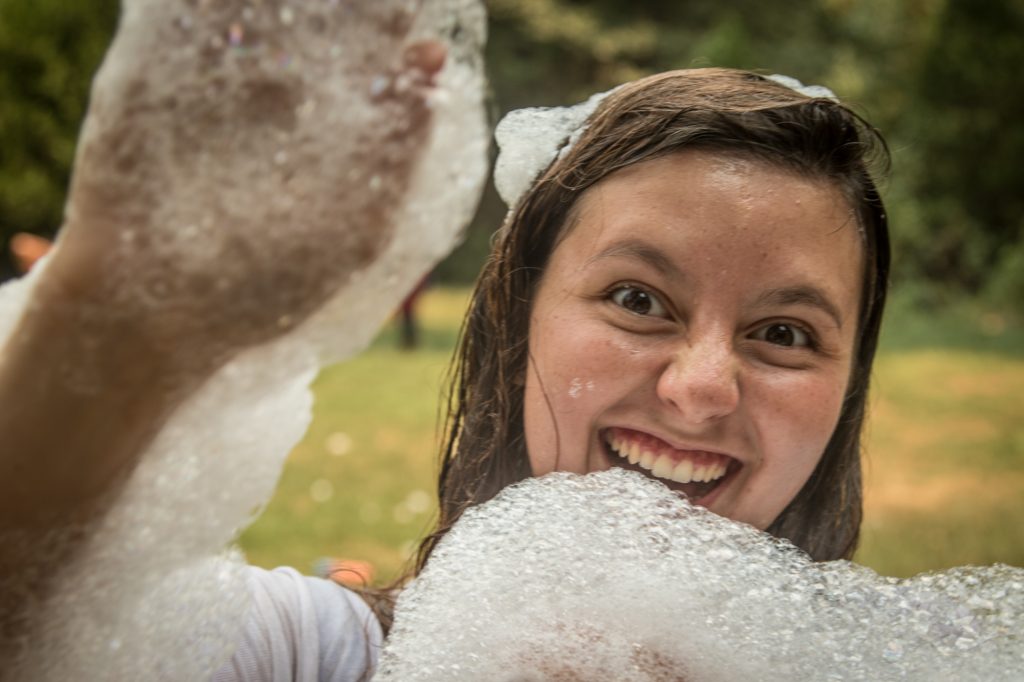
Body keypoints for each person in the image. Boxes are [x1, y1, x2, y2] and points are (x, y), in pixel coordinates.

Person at [0, 62, 889, 681]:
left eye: (783, 331)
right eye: (638, 299)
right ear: (519, 324)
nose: (701, 386)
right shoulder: (310, 657)